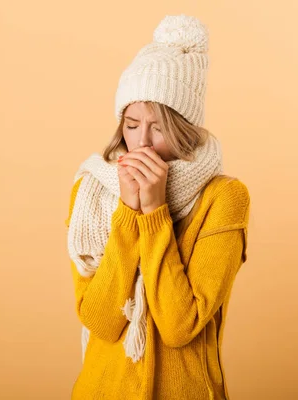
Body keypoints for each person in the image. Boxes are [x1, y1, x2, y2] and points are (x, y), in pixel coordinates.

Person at [65, 14, 250, 400]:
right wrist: (127, 216)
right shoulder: (92, 192)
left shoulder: (224, 197)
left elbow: (181, 325)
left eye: (160, 127)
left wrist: (153, 214)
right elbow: (100, 321)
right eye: (132, 125)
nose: (143, 143)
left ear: (184, 129)